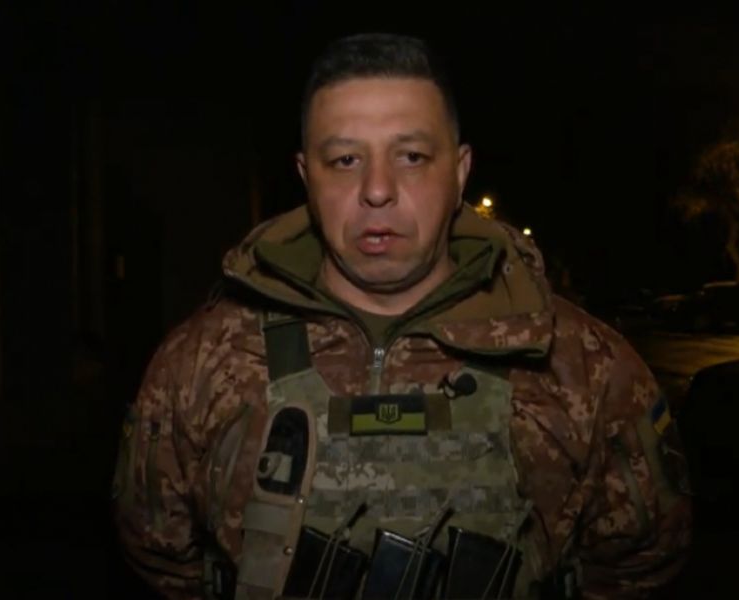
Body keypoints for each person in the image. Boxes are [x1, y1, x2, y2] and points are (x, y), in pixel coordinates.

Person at [112, 33, 691, 600]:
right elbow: (160, 553)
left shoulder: (581, 362)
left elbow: (638, 563)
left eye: (411, 157)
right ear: (306, 176)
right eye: (345, 160)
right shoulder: (202, 360)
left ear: (460, 171)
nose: (377, 190)